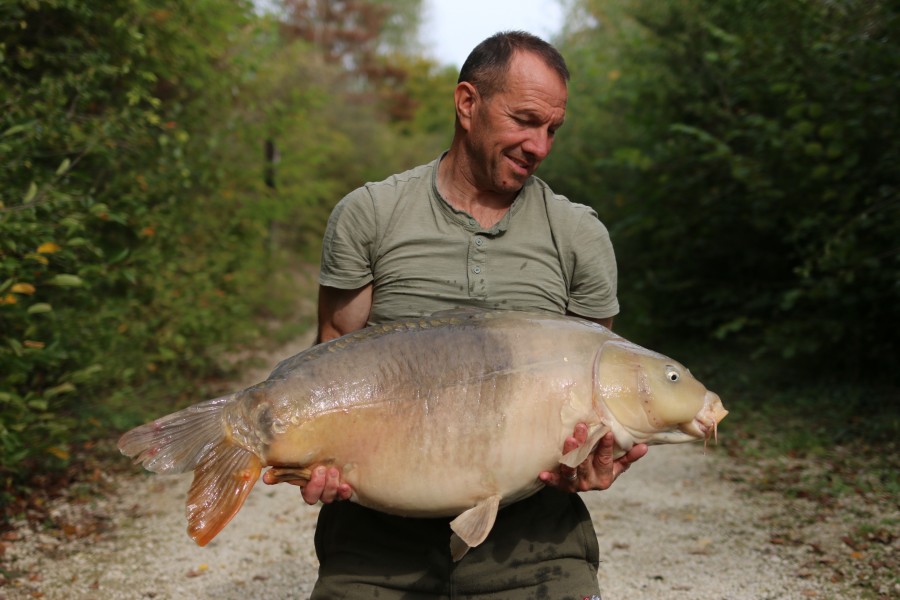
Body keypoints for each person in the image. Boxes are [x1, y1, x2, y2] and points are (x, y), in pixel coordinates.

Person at [264, 31, 648, 599]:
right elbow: (332, 359)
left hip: (534, 545)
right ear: (468, 103)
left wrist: (595, 462)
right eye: (525, 120)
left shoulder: (579, 236)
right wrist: (319, 460)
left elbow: (592, 393)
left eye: (551, 129)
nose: (539, 145)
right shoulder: (369, 214)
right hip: (376, 542)